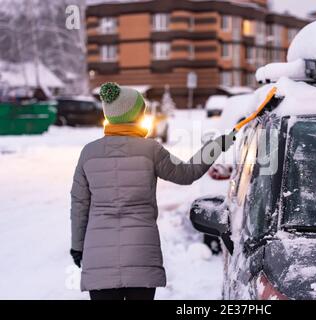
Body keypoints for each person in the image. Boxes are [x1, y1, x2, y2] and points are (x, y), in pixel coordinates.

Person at [70, 83, 235, 300]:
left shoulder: (89, 152)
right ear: (136, 115)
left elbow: (79, 204)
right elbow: (186, 173)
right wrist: (217, 145)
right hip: (141, 254)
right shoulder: (150, 150)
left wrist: (77, 247)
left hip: (99, 257)